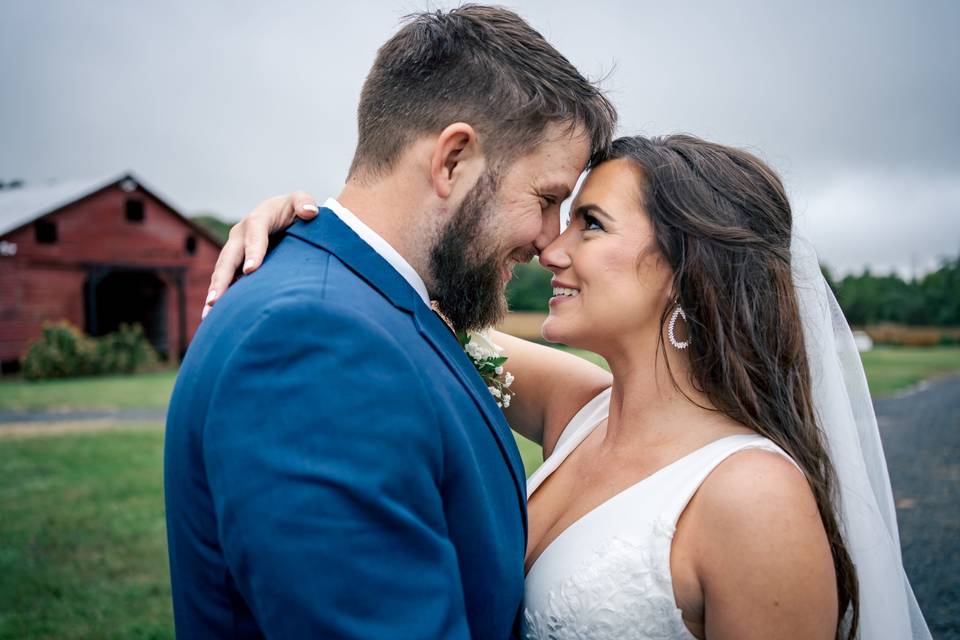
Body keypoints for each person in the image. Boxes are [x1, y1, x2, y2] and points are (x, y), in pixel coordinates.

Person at [215, 135, 932, 638]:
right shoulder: (585, 409)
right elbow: (390, 302)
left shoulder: (752, 496)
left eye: (589, 223)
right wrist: (313, 231)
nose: (551, 249)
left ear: (690, 270)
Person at [163, 6, 616, 639]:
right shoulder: (313, 342)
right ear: (453, 161)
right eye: (546, 199)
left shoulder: (371, 306)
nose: (548, 240)